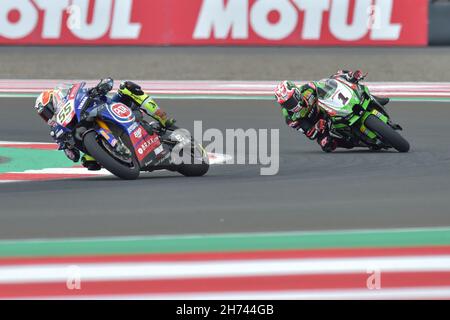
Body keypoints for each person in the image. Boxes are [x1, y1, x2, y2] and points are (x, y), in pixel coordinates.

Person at [34, 78, 175, 170]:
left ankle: (163, 119)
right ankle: (117, 157)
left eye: (47, 111)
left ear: (55, 100)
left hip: (110, 109)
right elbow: (73, 156)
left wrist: (99, 88)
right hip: (94, 136)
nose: (47, 116)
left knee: (127, 87)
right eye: (44, 115)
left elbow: (105, 84)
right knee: (87, 160)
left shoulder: (72, 98)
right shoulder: (57, 129)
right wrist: (68, 147)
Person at [274, 70, 389, 152]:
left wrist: (347, 77)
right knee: (327, 145)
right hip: (320, 123)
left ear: (296, 93)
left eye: (290, 101)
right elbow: (309, 133)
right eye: (285, 104)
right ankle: (360, 142)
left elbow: (326, 85)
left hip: (329, 106)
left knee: (337, 75)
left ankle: (373, 98)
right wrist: (317, 128)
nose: (289, 105)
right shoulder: (291, 118)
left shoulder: (308, 88)